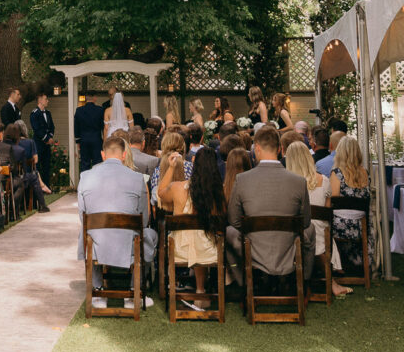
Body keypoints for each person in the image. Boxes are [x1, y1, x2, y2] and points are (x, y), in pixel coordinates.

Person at [226, 125, 315, 285]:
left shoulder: (242, 180)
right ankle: (305, 282)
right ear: (280, 149)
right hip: (287, 249)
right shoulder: (298, 181)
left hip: (252, 249)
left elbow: (234, 220)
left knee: (229, 231)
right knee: (311, 229)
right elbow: (306, 221)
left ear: (257, 148)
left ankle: (243, 283)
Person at [77, 135, 157, 310]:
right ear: (123, 156)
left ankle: (98, 291)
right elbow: (144, 220)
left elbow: (82, 216)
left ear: (103, 155)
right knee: (150, 233)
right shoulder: (138, 179)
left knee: (87, 232)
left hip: (96, 242)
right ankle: (133, 290)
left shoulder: (85, 176)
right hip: (128, 242)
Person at [159, 147, 227, 308]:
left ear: (195, 164)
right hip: (210, 251)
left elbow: (161, 193)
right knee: (202, 238)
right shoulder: (218, 193)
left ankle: (194, 290)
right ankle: (200, 291)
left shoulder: (177, 188)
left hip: (179, 249)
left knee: (194, 237)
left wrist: (171, 167)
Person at [285, 140, 351, 296]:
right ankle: (331, 282)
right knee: (320, 227)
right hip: (320, 232)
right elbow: (327, 211)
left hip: (293, 230)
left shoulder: (287, 183)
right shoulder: (324, 180)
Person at [330, 135, 374, 272]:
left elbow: (333, 201)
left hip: (339, 228)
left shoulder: (337, 173)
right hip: (362, 227)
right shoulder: (365, 173)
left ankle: (335, 265)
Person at [4, 123, 50, 212]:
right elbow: (35, 160)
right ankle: (42, 204)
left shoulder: (4, 145)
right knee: (34, 176)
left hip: (4, 177)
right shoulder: (26, 144)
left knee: (34, 174)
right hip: (21, 176)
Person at [74, 93, 105, 172]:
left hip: (84, 140)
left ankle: (85, 183)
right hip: (96, 140)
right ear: (94, 98)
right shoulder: (100, 110)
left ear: (86, 99)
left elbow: (76, 127)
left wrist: (78, 142)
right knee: (97, 164)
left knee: (84, 164)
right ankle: (97, 183)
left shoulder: (79, 110)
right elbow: (103, 126)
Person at [30, 92, 55, 187]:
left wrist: (50, 137)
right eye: (45, 99)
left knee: (47, 166)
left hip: (47, 144)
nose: (47, 101)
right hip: (39, 143)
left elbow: (52, 127)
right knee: (38, 166)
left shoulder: (48, 113)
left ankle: (47, 186)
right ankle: (39, 187)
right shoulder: (34, 113)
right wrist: (46, 138)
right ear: (40, 100)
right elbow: (36, 129)